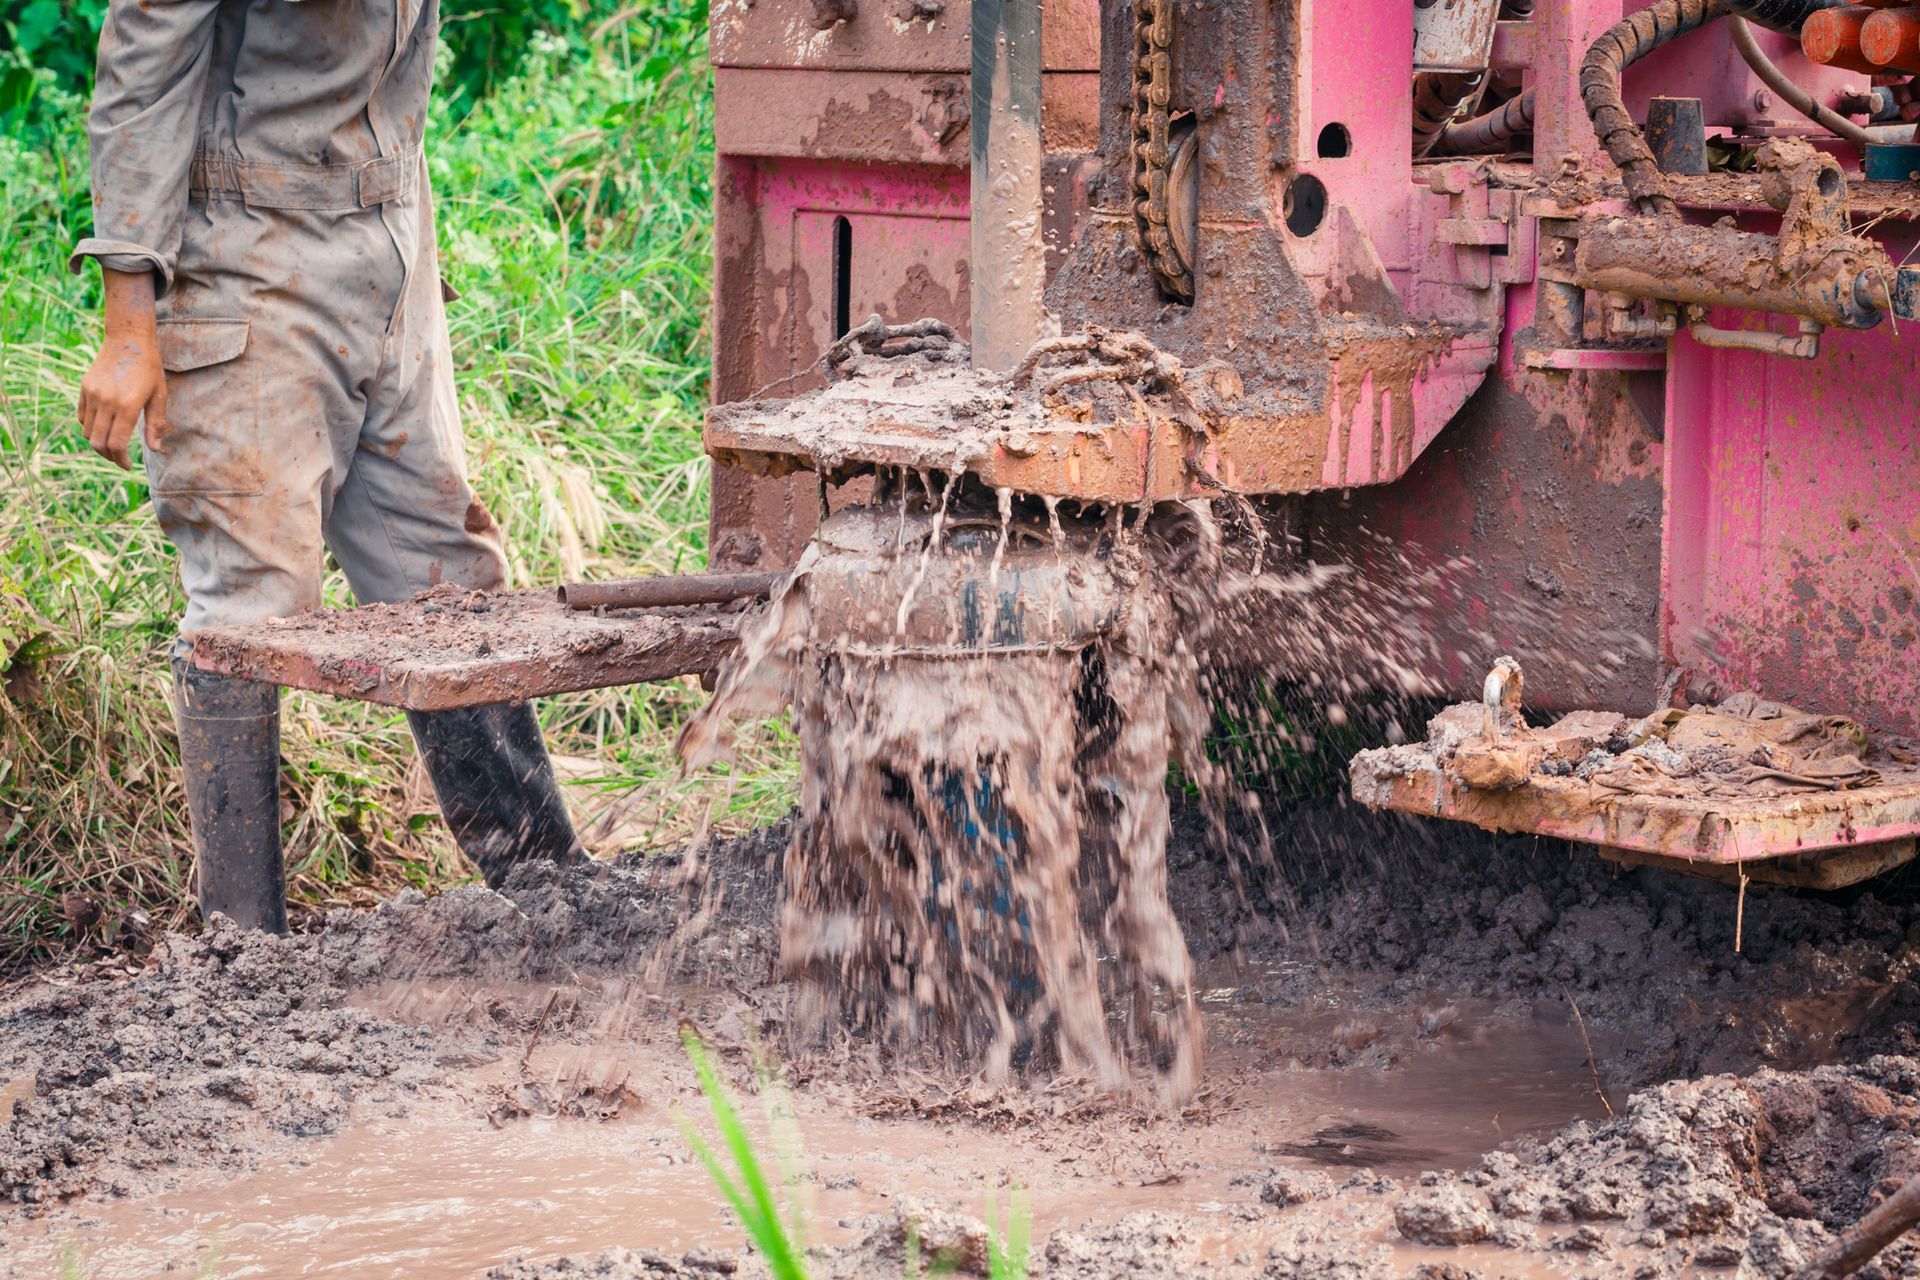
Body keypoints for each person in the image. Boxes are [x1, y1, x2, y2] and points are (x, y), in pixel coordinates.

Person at [71, 0, 585, 933]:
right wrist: (128, 327)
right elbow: (143, 60)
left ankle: (552, 887)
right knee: (250, 602)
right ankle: (242, 943)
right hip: (247, 250)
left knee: (446, 578)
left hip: (391, 242)